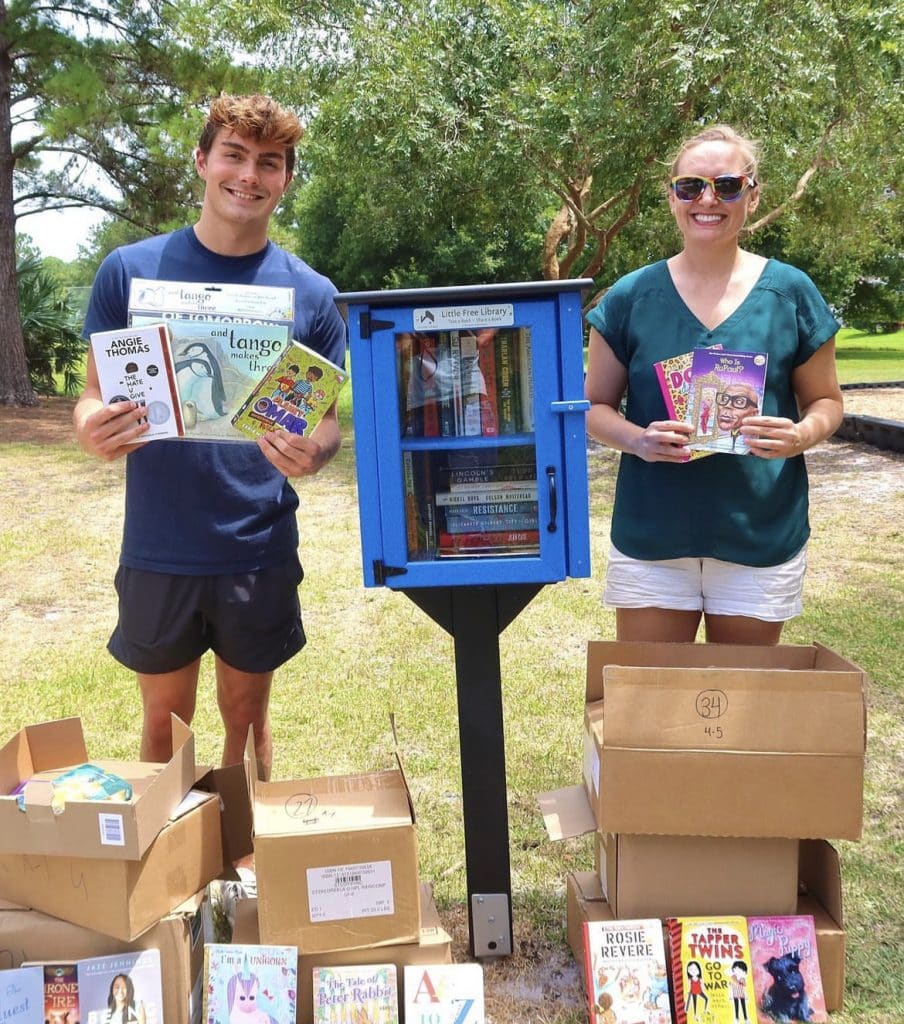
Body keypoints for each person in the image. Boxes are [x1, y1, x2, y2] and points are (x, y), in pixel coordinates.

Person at [74, 94, 347, 779]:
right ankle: (167, 869)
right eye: (234, 155)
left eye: (269, 163)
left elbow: (326, 424)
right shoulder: (129, 273)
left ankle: (245, 862)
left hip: (256, 545)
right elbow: (90, 398)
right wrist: (94, 431)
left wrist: (313, 453)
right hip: (159, 543)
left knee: (247, 726)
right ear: (202, 161)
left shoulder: (311, 295)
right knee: (163, 734)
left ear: (285, 179)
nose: (248, 175)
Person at [585, 124, 843, 645]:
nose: (708, 200)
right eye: (690, 187)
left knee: (737, 710)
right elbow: (592, 407)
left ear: (752, 194)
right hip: (654, 535)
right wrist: (637, 439)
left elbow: (826, 402)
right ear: (673, 197)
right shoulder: (631, 296)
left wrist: (800, 435)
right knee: (652, 708)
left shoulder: (790, 292)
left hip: (758, 532)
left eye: (727, 186)